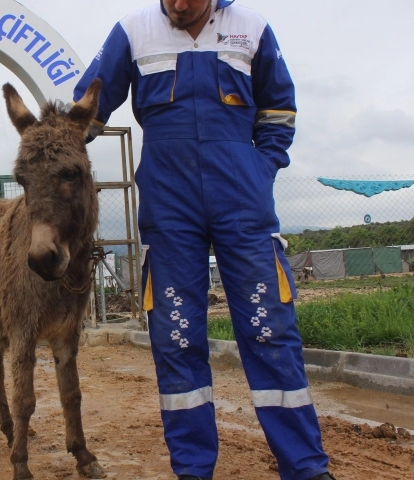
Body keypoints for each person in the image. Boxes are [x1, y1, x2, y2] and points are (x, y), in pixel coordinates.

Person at [71, 1, 335, 479]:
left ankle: (306, 469)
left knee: (269, 330)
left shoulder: (251, 29)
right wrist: (55, 145)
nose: (178, 5)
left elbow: (279, 112)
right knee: (176, 339)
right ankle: (193, 470)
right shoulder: (132, 32)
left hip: (243, 202)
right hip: (169, 207)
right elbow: (86, 110)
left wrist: (261, 168)